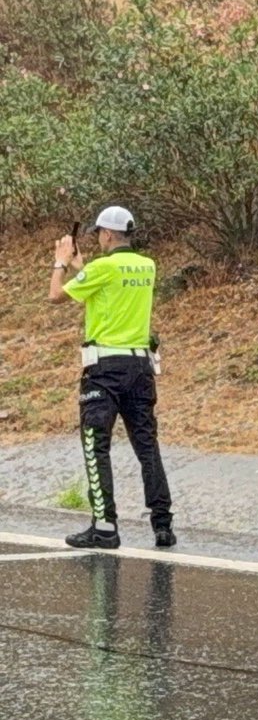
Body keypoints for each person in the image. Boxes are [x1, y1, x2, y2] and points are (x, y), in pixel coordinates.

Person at [49, 206, 175, 550]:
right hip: (140, 369)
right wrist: (82, 268)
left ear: (106, 234)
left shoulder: (103, 268)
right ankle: (162, 525)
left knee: (96, 444)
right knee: (146, 445)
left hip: (104, 371)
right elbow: (108, 285)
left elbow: (56, 295)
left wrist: (61, 262)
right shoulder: (146, 266)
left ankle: (105, 526)